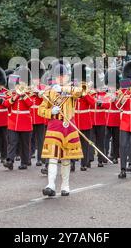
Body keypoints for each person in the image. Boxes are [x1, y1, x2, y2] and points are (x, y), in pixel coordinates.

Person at [38, 63, 83, 196]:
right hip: (55, 126)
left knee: (66, 159)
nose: (61, 78)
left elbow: (79, 92)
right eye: (58, 76)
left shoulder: (72, 89)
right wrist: (51, 111)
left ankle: (65, 185)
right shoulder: (49, 92)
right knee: (52, 157)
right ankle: (51, 184)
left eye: (63, 76)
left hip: (68, 126)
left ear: (68, 76)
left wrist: (63, 88)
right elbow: (41, 110)